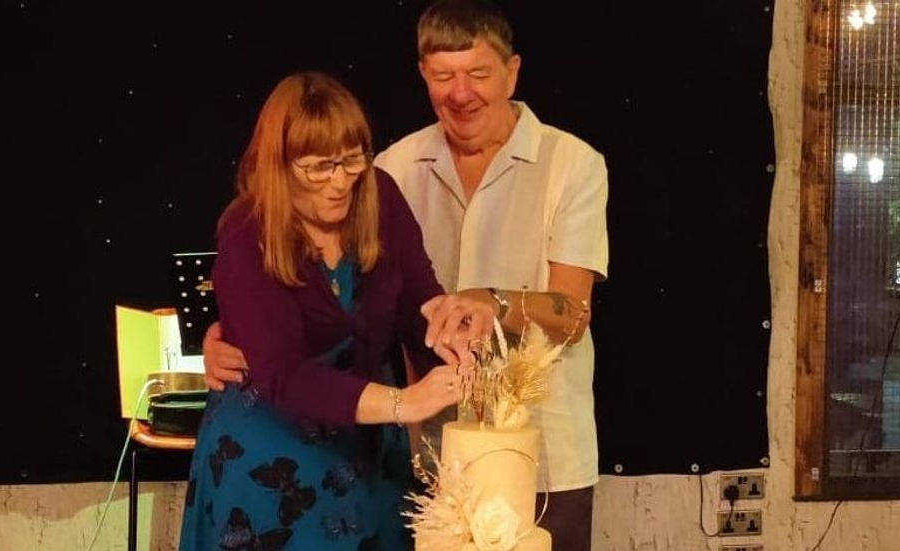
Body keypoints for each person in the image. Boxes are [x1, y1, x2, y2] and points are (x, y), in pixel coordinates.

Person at [204, 1, 609, 549]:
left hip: (511, 448)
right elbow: (281, 361)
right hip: (296, 466)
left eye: (350, 161)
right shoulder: (390, 167)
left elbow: (427, 304)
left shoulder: (566, 164)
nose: (341, 182)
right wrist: (227, 334)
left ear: (513, 70)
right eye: (444, 76)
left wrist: (462, 316)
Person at [178, 71, 494, 551]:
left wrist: (448, 325)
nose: (339, 182)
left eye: (351, 161)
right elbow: (282, 376)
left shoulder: (380, 195)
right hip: (272, 463)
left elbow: (417, 300)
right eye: (318, 167)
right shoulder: (248, 232)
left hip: (366, 456)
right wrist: (404, 403)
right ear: (278, 165)